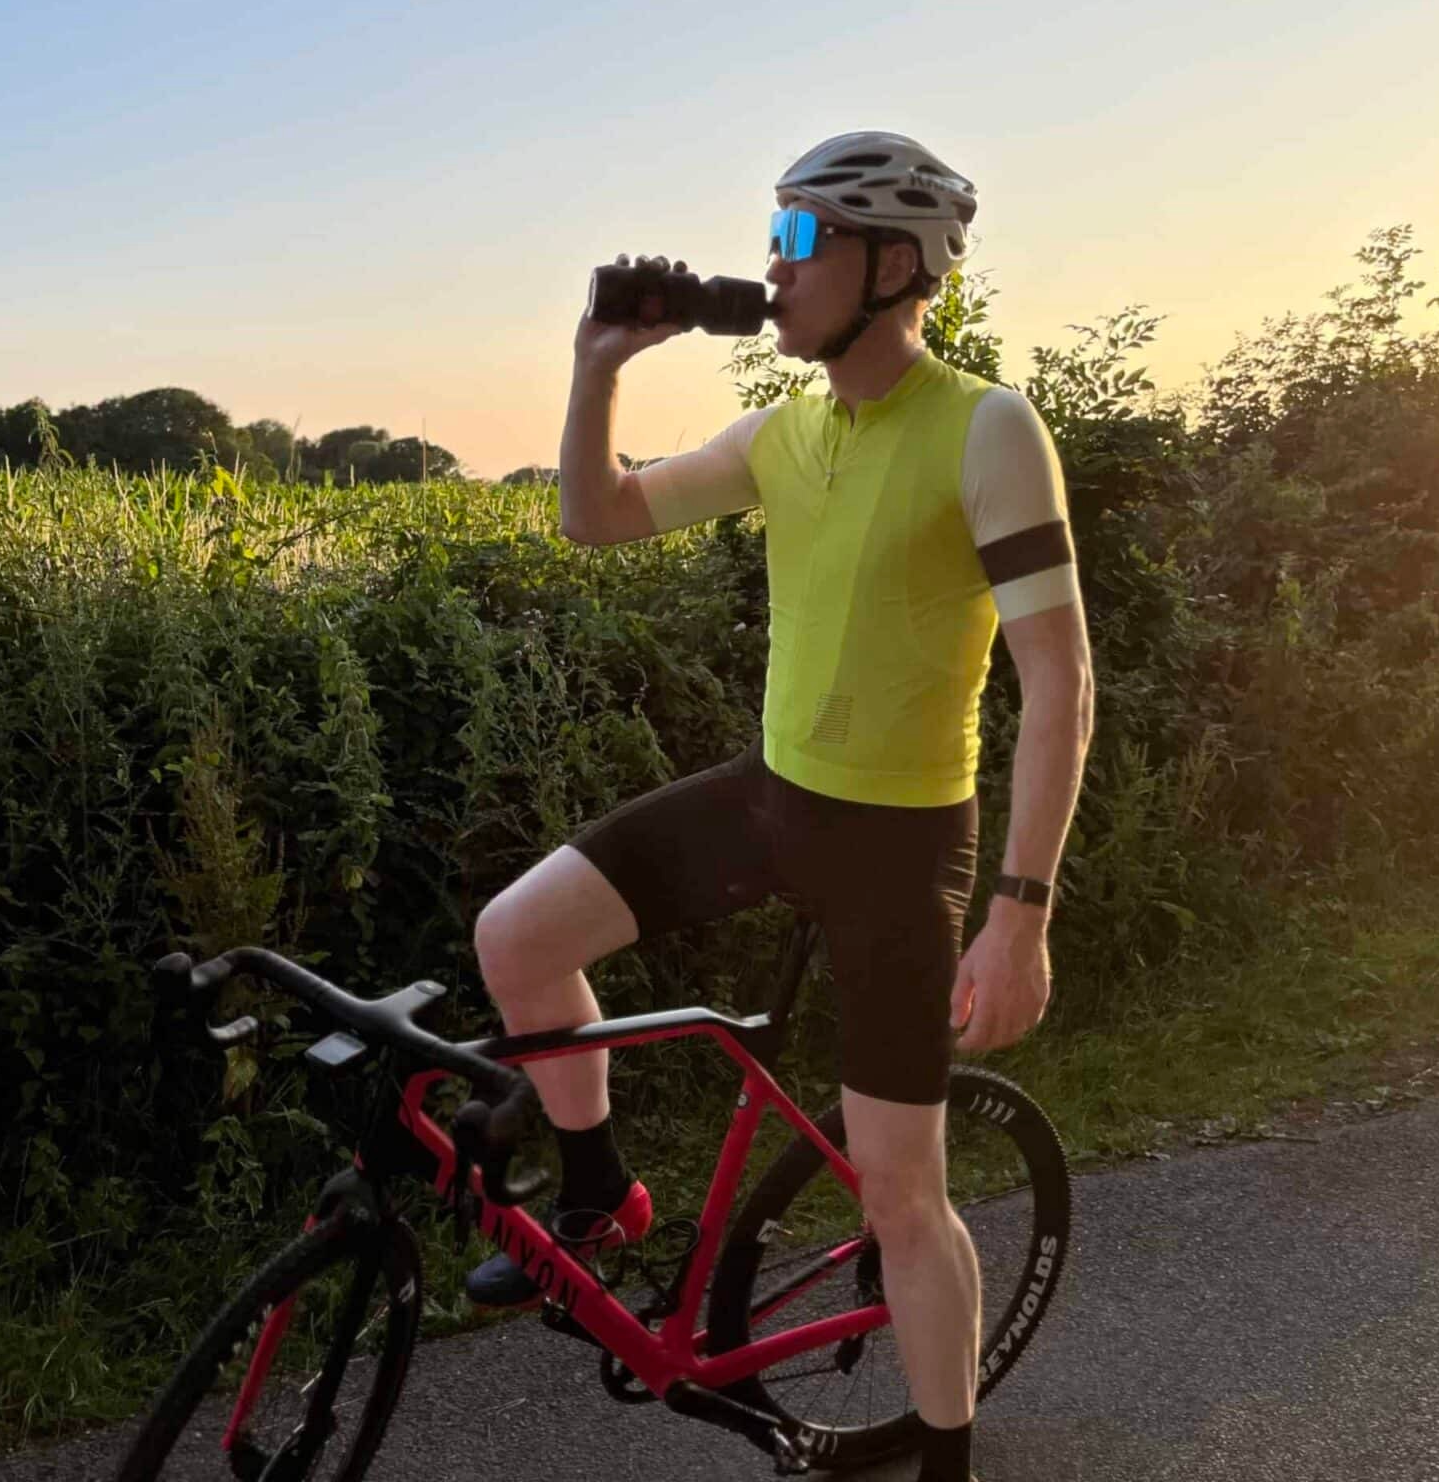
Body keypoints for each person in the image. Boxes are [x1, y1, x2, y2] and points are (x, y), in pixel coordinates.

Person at [464, 131, 1093, 1482]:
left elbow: (1061, 682)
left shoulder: (986, 427)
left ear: (893, 266)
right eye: (774, 233)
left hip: (899, 846)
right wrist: (596, 367)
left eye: (801, 238)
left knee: (903, 1197)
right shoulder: (782, 433)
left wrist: (1020, 916)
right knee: (516, 938)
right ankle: (600, 1197)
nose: (773, 263)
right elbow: (595, 517)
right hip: (769, 799)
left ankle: (944, 1459)